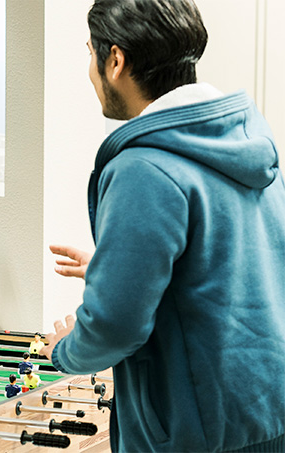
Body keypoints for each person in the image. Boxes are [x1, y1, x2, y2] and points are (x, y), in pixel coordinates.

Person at [41, 1, 285, 452]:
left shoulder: (143, 168)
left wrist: (64, 350)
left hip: (191, 435)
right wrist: (117, 267)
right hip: (266, 416)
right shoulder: (247, 137)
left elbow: (115, 326)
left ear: (115, 60)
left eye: (89, 53)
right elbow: (250, 260)